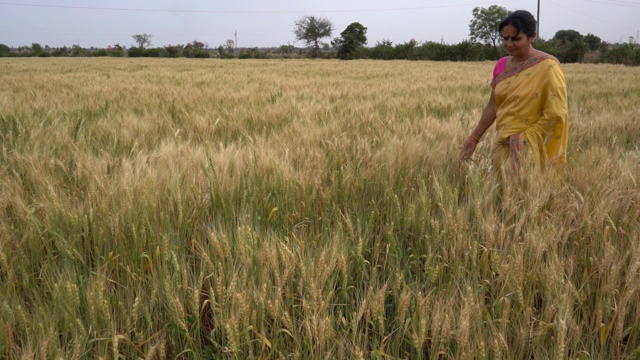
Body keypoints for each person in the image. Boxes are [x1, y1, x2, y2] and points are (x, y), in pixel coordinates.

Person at [459, 10, 568, 174]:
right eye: (505, 38)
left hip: (530, 150)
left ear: (532, 36)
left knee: (530, 195)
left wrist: (522, 140)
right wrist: (474, 138)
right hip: (503, 146)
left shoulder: (548, 66)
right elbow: (492, 106)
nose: (509, 44)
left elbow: (556, 113)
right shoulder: (501, 65)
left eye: (516, 39)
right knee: (502, 195)